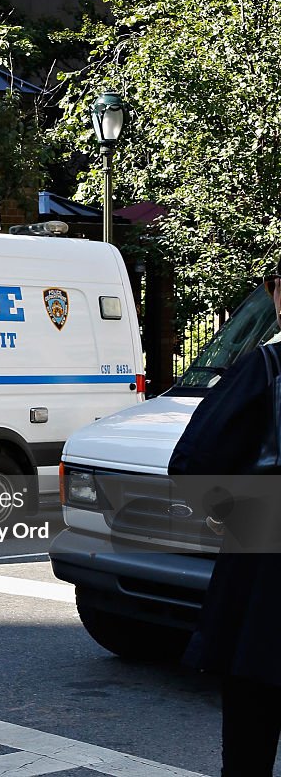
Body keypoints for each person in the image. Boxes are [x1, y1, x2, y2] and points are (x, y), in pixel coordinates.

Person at [169, 267, 281, 776]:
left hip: (266, 570)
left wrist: (230, 513)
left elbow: (193, 460)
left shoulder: (266, 367)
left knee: (250, 741)